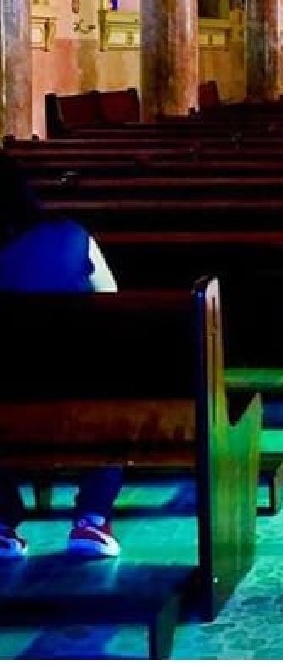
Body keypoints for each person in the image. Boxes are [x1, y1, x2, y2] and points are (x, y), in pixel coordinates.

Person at [0, 155, 122, 559]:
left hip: (6, 389)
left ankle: (1, 521)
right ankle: (91, 518)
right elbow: (111, 303)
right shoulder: (71, 235)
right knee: (115, 387)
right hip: (78, 386)